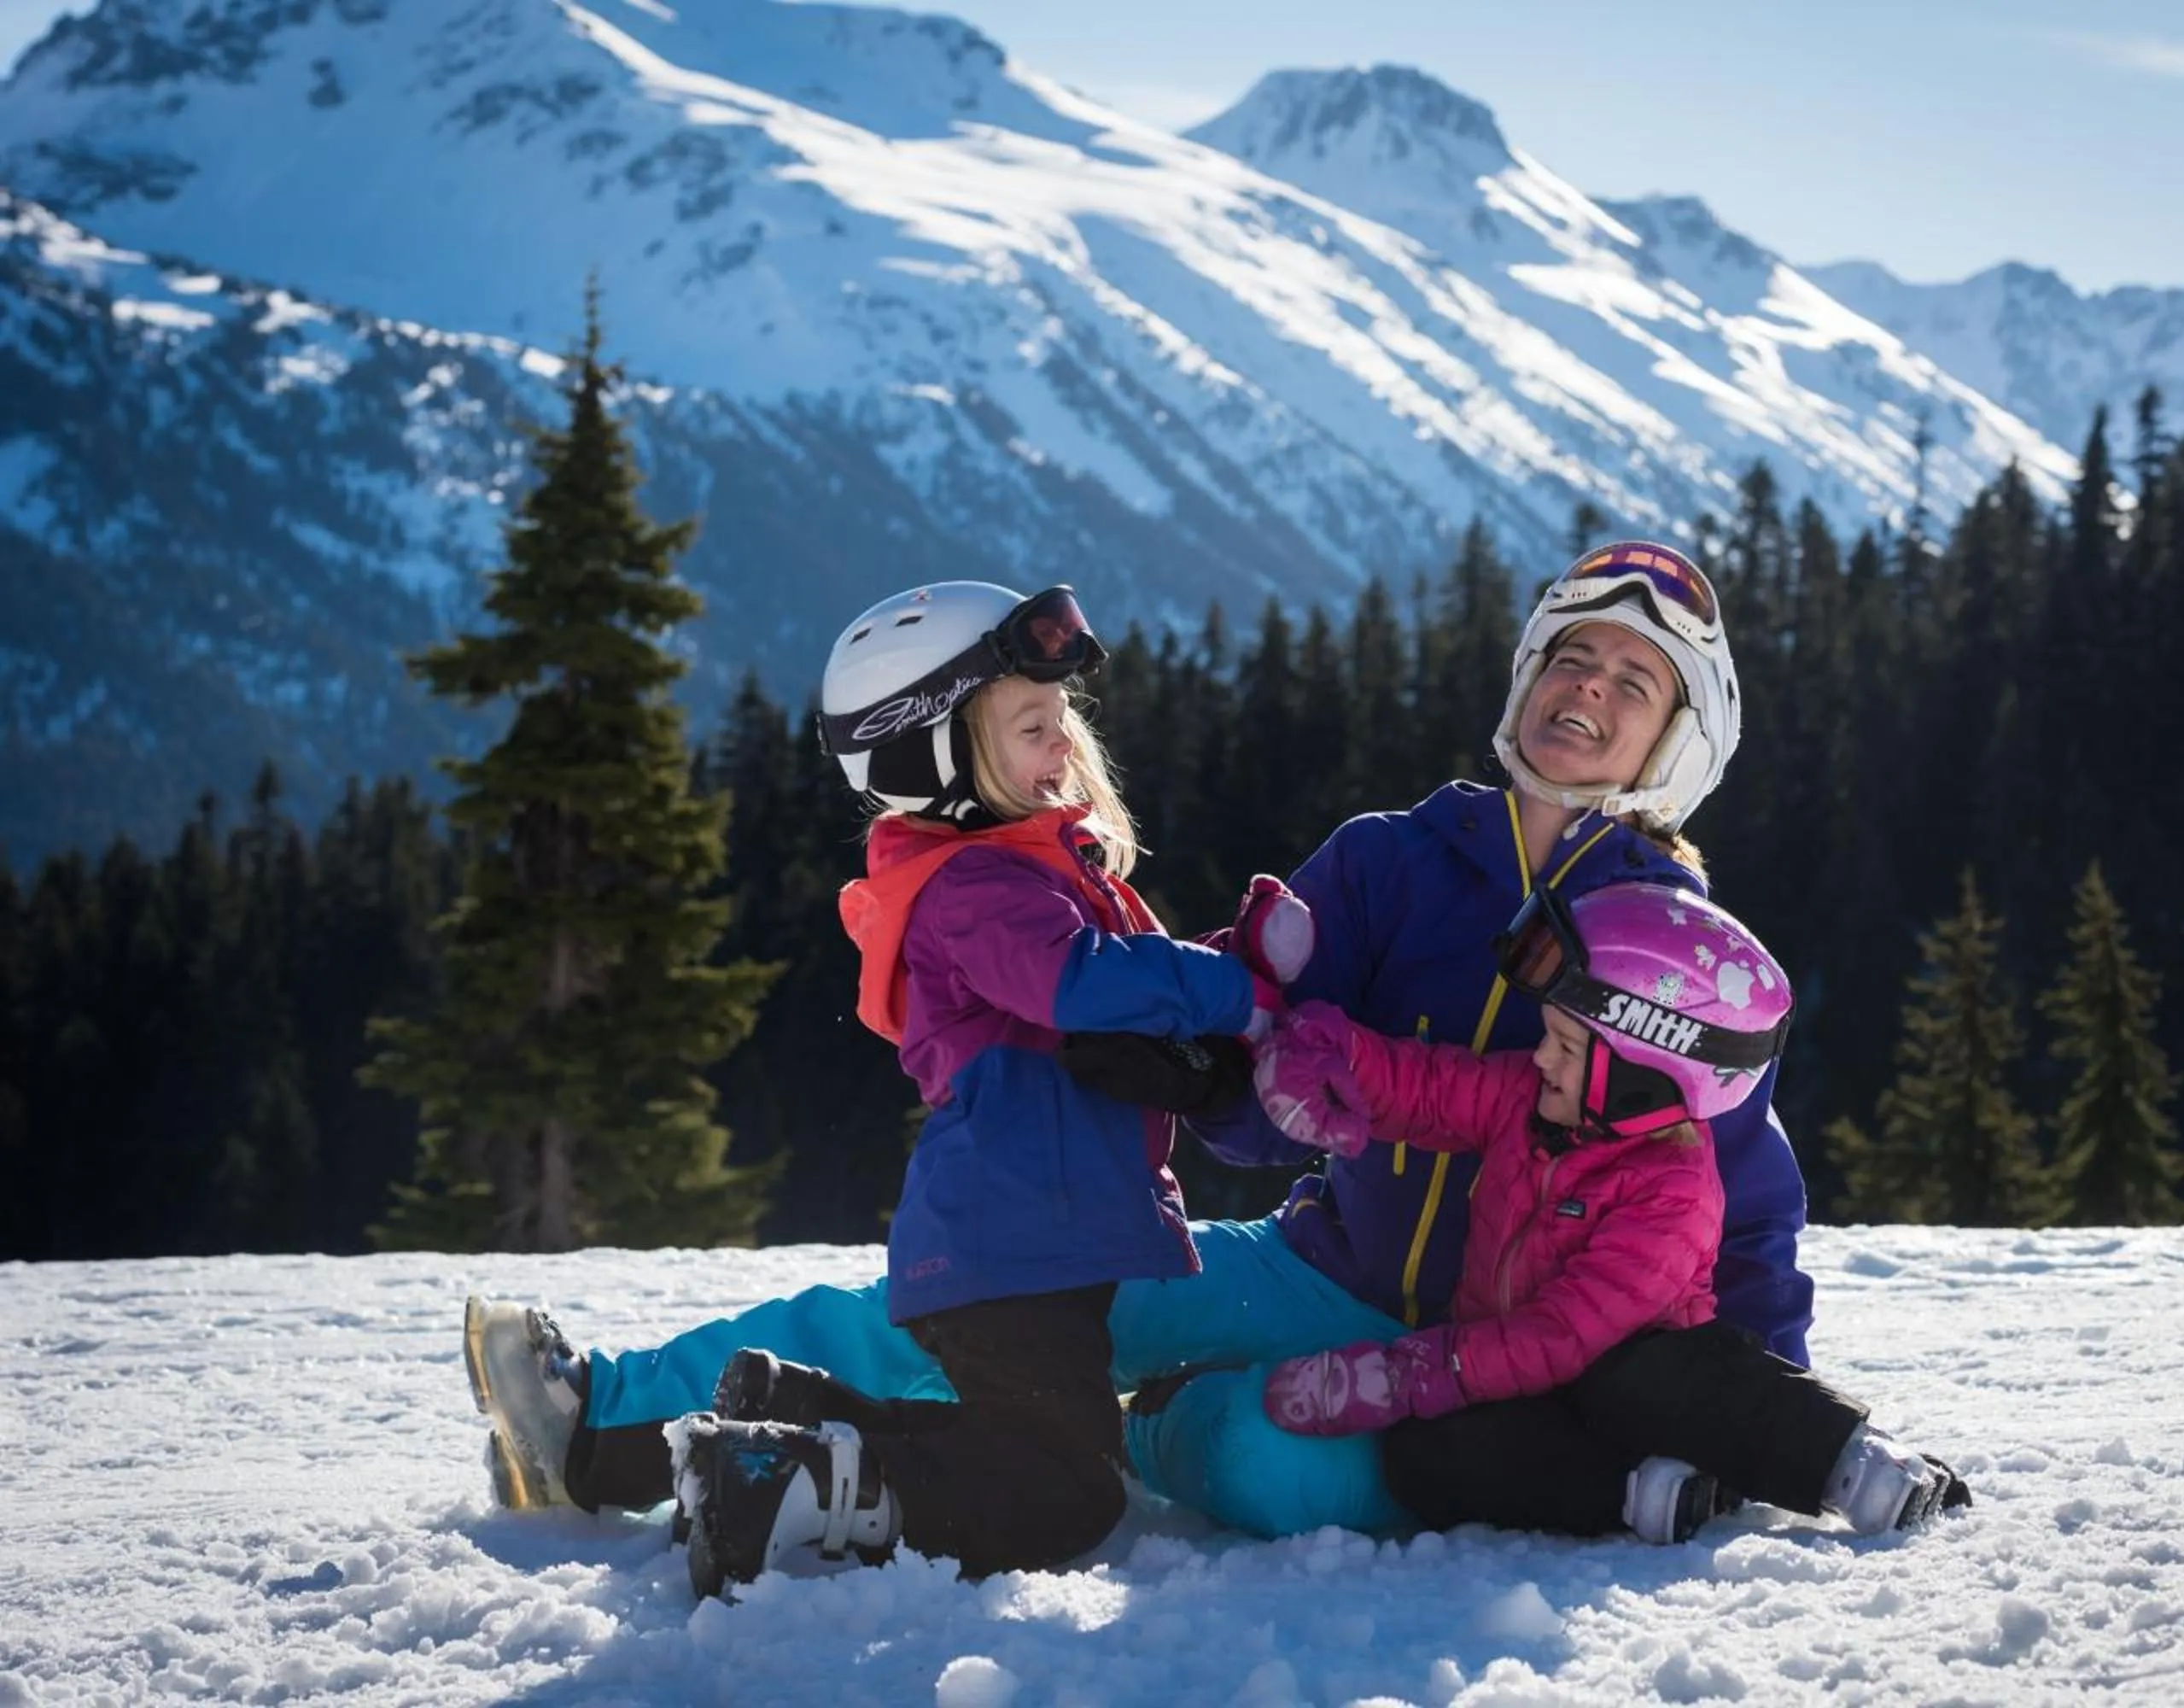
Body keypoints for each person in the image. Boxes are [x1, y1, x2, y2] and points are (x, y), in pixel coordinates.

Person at [464, 539, 1818, 1547]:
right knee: (996, 1302)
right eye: (1573, 655)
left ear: (1676, 743)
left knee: (1257, 1462)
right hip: (1316, 1268)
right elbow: (1247, 1084)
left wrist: (1754, 1412)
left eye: (1636, 681)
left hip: (1501, 1347)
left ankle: (1136, 1425)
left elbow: (1734, 1191)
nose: (1590, 688)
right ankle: (603, 1420)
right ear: (1530, 674)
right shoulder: (1392, 864)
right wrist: (1211, 1077)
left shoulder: (1680, 952)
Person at [472, 578, 1305, 1596]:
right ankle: (785, 1482)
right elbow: (1083, 978)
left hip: (1038, 1240)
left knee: (1017, 1438)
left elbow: (1124, 974)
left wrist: (1231, 982)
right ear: (933, 754)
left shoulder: (1023, 872)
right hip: (1015, 1248)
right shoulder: (974, 888)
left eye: (1061, 720)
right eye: (1035, 723)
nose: (1063, 744)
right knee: (1066, 1490)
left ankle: (782, 1409)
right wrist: (1233, 988)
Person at [1250, 882, 1965, 1541]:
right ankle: (1647, 1492)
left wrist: (1411, 1371)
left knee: (1647, 1373)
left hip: (1635, 1384)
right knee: (1422, 1455)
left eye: (1565, 1046)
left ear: (1642, 1077)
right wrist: (1334, 1052)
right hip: (1536, 1392)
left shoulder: (1670, 1190)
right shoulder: (1527, 1105)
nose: (1540, 1061)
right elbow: (1433, 1089)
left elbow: (1564, 1335)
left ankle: (1856, 1462)